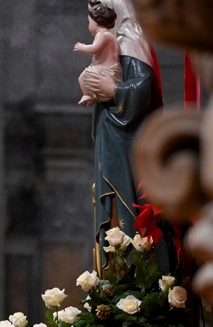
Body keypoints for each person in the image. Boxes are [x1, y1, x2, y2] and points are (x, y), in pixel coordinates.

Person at [80, 0, 163, 270]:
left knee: (128, 210)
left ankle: (134, 276)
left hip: (126, 142)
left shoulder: (129, 42)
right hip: (111, 136)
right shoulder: (112, 43)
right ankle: (114, 275)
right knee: (112, 209)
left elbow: (144, 89)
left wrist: (114, 91)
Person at [74, 2, 121, 106]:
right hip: (100, 67)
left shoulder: (103, 34)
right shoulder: (106, 34)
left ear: (96, 23)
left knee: (83, 77)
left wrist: (82, 47)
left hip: (105, 69)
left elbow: (94, 49)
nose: (88, 26)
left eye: (89, 22)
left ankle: (90, 94)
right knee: (82, 78)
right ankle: (89, 95)